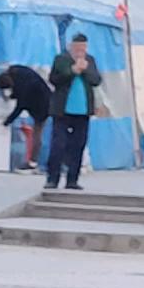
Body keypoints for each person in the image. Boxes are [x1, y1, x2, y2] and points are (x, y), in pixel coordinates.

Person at [46, 32, 103, 192]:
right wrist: (72, 71)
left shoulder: (90, 60)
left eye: (83, 48)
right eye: (78, 48)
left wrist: (84, 70)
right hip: (62, 111)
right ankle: (52, 179)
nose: (80, 51)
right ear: (72, 46)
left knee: (78, 146)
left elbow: (96, 80)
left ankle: (72, 180)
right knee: (58, 145)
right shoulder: (61, 59)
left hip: (83, 111)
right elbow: (54, 80)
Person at [0, 63, 52, 172]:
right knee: (37, 133)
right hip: (44, 97)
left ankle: (33, 162)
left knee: (37, 133)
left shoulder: (23, 87)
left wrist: (7, 121)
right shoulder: (17, 72)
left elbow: (20, 106)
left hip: (42, 105)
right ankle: (33, 161)